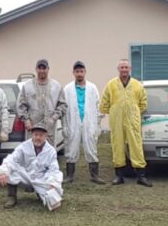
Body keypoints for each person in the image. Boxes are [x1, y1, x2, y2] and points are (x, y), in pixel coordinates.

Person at [100, 58, 152, 187]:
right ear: (118, 69)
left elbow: (143, 103)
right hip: (116, 120)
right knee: (117, 146)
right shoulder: (111, 84)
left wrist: (133, 113)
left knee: (136, 146)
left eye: (126, 67)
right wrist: (114, 111)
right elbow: (104, 103)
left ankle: (141, 176)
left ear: (130, 69)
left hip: (133, 120)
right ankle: (119, 176)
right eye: (121, 67)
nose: (124, 70)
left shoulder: (137, 85)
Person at [0, 124, 63, 211]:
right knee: (10, 170)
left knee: (55, 205)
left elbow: (54, 170)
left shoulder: (51, 151)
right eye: (36, 135)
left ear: (46, 136)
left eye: (41, 135)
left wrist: (53, 184)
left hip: (41, 178)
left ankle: (41, 195)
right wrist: (3, 172)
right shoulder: (23, 146)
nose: (38, 138)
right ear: (32, 135)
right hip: (25, 175)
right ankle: (11, 197)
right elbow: (11, 159)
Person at [63, 61, 105, 184]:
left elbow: (98, 106)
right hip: (73, 123)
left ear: (85, 72)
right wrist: (65, 125)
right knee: (71, 148)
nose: (79, 74)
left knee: (91, 148)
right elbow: (64, 109)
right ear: (73, 73)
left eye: (81, 71)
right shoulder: (67, 89)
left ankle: (94, 175)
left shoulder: (92, 88)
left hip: (89, 123)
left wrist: (97, 124)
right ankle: (69, 176)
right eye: (77, 72)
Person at [16, 59, 67, 147]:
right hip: (32, 126)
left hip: (49, 128)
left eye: (44, 68)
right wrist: (26, 120)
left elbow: (62, 105)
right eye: (39, 68)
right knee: (31, 152)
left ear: (48, 69)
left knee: (48, 152)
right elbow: (21, 105)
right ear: (36, 69)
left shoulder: (56, 86)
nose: (42, 70)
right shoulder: (27, 86)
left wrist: (54, 118)